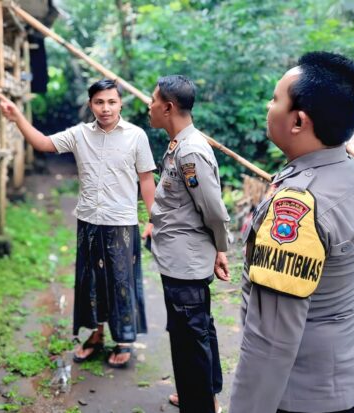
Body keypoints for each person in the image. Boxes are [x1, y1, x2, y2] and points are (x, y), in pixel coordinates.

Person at [229, 51, 354, 413]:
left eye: (275, 98)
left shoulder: (297, 212)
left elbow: (271, 341)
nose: (269, 106)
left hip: (307, 396)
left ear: (298, 121)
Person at [0, 79, 157, 367]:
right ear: (90, 105)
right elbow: (43, 144)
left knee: (121, 283)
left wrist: (153, 220)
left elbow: (146, 180)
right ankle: (95, 336)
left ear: (121, 103)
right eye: (99, 102)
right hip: (89, 222)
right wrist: (17, 117)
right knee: (91, 283)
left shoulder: (136, 136)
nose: (105, 108)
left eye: (111, 101)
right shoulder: (80, 134)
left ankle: (123, 340)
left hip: (121, 223)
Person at [143, 74, 230, 413]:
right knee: (195, 330)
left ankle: (200, 403)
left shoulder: (191, 151)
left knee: (190, 337)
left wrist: (221, 249)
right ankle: (203, 393)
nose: (148, 106)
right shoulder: (179, 142)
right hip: (178, 256)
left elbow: (213, 209)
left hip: (186, 262)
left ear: (168, 107)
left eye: (153, 100)